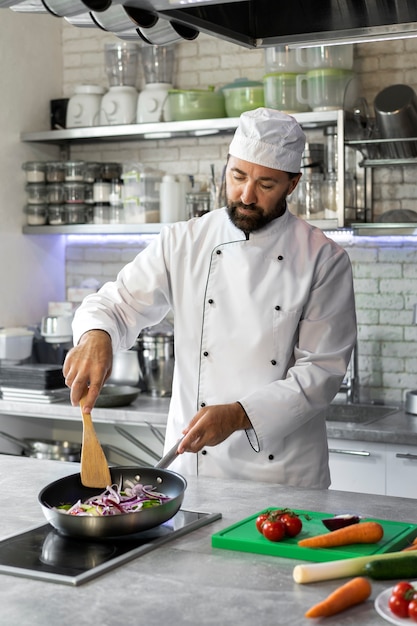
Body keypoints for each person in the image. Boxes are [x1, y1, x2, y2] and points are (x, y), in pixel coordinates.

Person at [63, 107, 357, 489]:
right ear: (226, 167)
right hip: (193, 473)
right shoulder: (184, 241)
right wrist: (96, 335)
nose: (246, 195)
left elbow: (320, 374)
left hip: (284, 477)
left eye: (266, 184)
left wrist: (237, 416)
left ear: (293, 184)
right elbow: (115, 304)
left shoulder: (323, 259)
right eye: (237, 176)